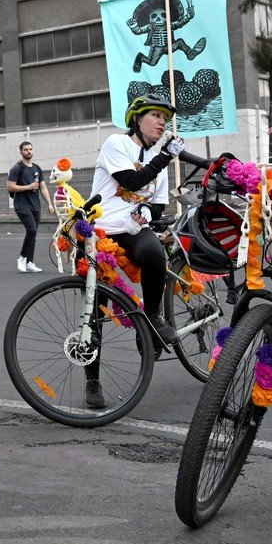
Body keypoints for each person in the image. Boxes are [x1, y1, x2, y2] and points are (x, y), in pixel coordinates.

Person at [88, 96, 187, 356]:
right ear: (137, 119)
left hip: (131, 231)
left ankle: (152, 319)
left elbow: (158, 204)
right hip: (101, 232)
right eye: (155, 115)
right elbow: (131, 181)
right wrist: (165, 156)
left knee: (155, 253)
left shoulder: (158, 160)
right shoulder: (117, 143)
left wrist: (146, 209)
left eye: (165, 119)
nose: (162, 122)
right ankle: (93, 382)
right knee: (96, 308)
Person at [6, 141, 54, 273]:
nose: (29, 151)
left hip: (35, 205)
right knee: (32, 230)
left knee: (33, 233)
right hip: (22, 205)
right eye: (26, 149)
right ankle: (22, 257)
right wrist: (28, 187)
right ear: (21, 152)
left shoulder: (37, 168)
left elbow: (43, 188)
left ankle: (29, 262)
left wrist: (49, 204)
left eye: (30, 149)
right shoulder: (17, 168)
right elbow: (10, 186)